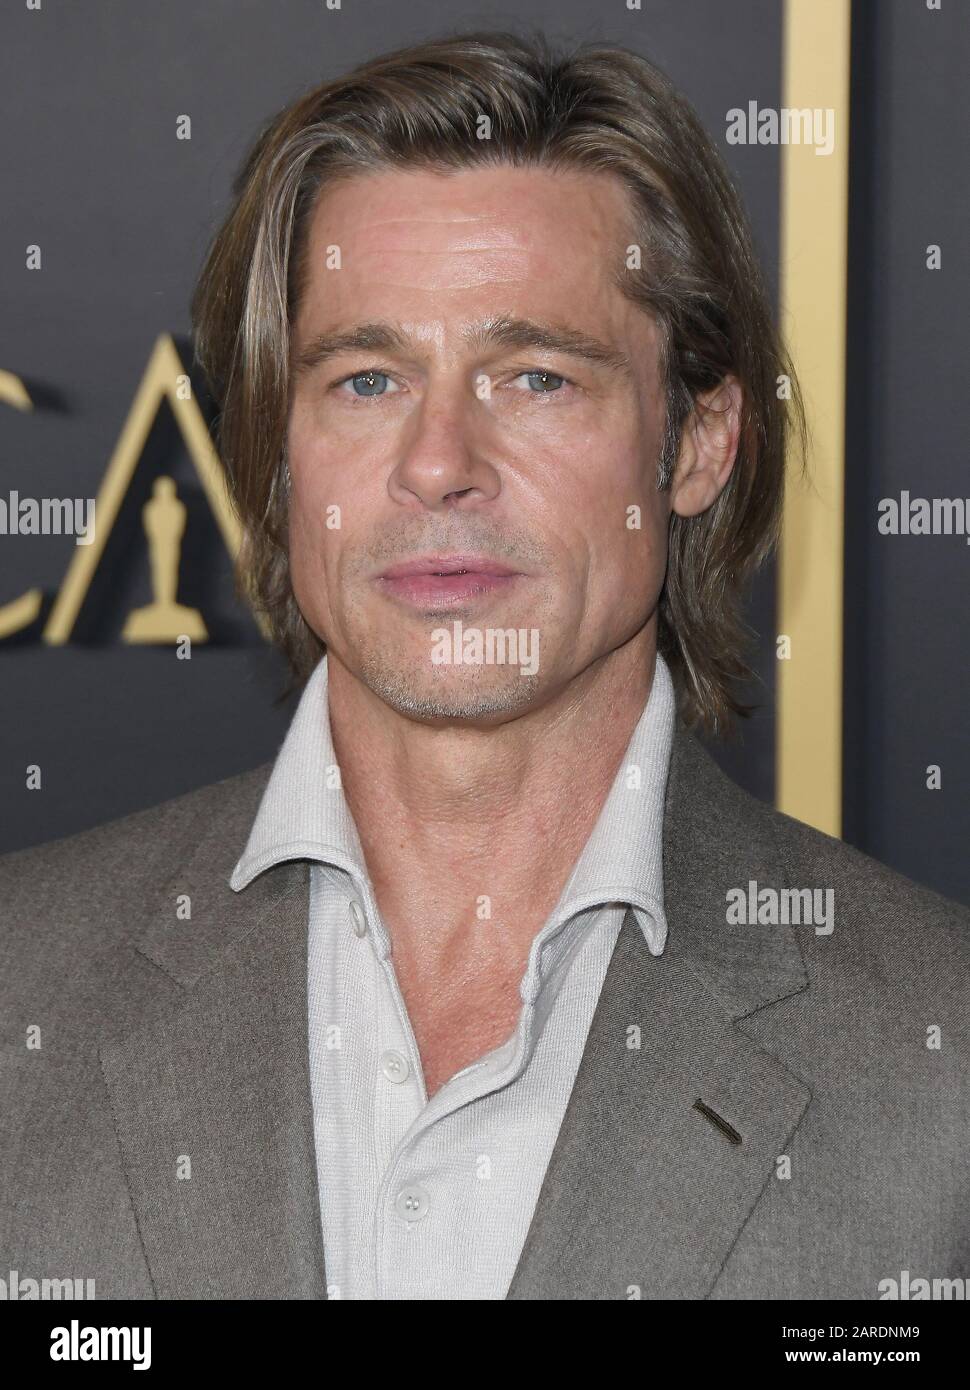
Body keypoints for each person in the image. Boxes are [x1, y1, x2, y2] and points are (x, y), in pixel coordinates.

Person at [2, 30, 967, 1302]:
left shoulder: (936, 1067)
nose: (438, 459)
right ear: (279, 456)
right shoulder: (24, 989)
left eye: (534, 376)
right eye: (364, 379)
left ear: (698, 443)